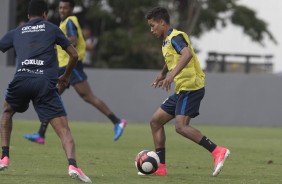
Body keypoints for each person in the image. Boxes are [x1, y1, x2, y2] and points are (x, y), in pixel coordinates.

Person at [0, 0, 91, 183]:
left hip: (21, 81)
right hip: (44, 84)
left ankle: (4, 157)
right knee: (64, 130)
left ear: (28, 16)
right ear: (45, 15)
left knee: (7, 112)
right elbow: (74, 54)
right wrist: (65, 77)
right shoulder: (51, 28)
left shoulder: (18, 31)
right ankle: (73, 165)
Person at [23, 0, 126, 144]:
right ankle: (41, 133)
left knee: (87, 96)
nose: (62, 10)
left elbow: (73, 41)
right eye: (60, 7)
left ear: (71, 9)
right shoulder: (64, 23)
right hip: (64, 67)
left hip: (71, 67)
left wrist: (55, 43)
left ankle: (117, 121)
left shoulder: (70, 22)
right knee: (52, 98)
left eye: (65, 8)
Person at [143, 7, 230, 176]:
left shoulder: (176, 36)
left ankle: (218, 151)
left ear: (162, 22)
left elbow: (186, 54)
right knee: (155, 122)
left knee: (181, 127)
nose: (151, 29)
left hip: (192, 87)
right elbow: (172, 59)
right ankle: (160, 168)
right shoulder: (166, 41)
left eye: (153, 25)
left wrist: (170, 76)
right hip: (182, 89)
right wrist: (162, 74)